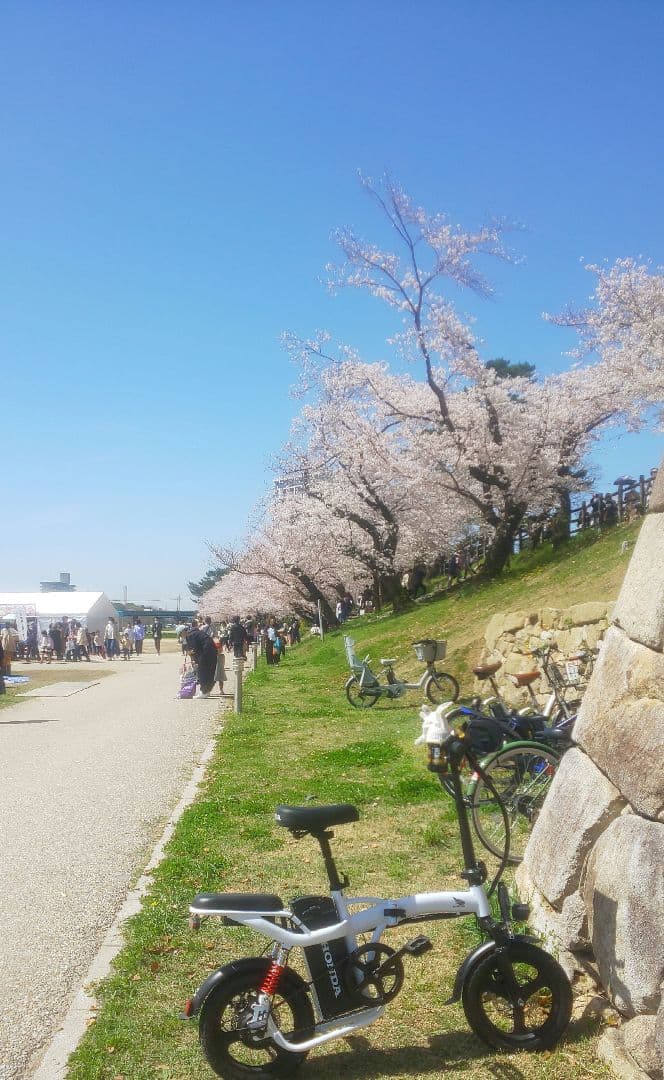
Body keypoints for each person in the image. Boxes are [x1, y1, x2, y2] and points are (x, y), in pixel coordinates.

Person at [185, 625, 218, 697]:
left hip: (206, 652)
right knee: (210, 672)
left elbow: (194, 649)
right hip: (213, 651)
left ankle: (204, 692)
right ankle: (206, 691)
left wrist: (192, 656)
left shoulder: (190, 635)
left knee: (202, 672)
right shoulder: (198, 633)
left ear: (183, 632)